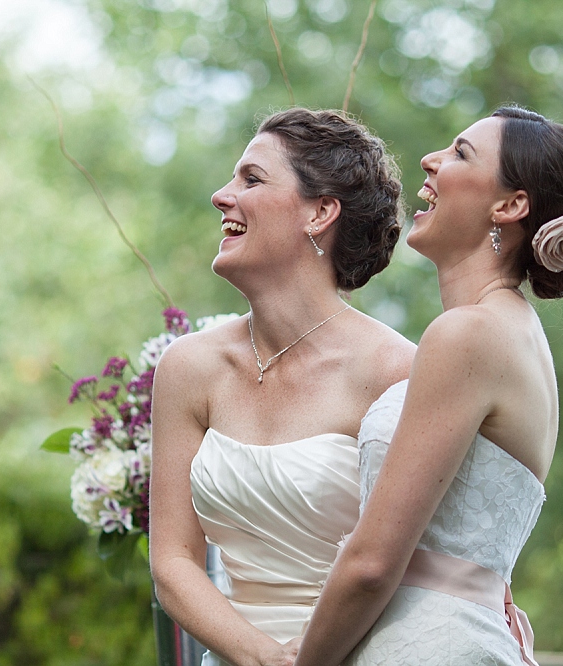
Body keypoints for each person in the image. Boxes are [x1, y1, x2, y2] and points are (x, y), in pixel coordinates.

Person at [294, 106, 563, 665]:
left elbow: (372, 565)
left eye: (460, 153)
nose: (430, 161)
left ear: (510, 206)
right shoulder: (510, 331)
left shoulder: (470, 334)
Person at [149, 108, 416, 666]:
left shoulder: (397, 373)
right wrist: (260, 657)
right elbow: (172, 562)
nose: (222, 197)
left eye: (251, 179)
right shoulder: (189, 367)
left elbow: (416, 563)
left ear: (320, 212)